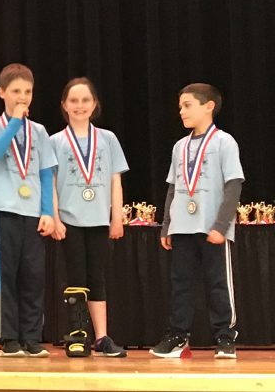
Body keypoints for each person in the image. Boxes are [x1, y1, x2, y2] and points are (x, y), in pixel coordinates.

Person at [150, 83, 242, 360]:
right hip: (182, 227)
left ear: (209, 106)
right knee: (181, 283)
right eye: (180, 106)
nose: (181, 111)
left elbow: (234, 184)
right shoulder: (180, 146)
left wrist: (221, 225)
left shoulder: (224, 142)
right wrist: (167, 225)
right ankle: (178, 335)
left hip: (211, 226)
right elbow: (172, 187)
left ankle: (225, 337)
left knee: (217, 283)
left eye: (187, 105)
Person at [0, 63, 57, 357]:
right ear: (2, 93)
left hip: (33, 213)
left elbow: (46, 172)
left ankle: (32, 337)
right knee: (5, 276)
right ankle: (8, 338)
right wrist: (14, 121)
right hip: (3, 210)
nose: (22, 97)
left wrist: (47, 211)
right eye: (15, 91)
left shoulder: (39, 131)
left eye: (27, 92)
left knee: (34, 277)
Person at [49, 77, 129, 357]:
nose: (79, 106)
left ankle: (102, 337)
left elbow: (115, 179)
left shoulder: (108, 139)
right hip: (69, 220)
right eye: (74, 100)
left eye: (85, 100)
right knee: (75, 277)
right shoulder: (55, 141)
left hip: (98, 220)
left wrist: (116, 217)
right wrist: (55, 217)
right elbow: (51, 182)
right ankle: (77, 334)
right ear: (64, 105)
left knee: (97, 277)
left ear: (94, 104)